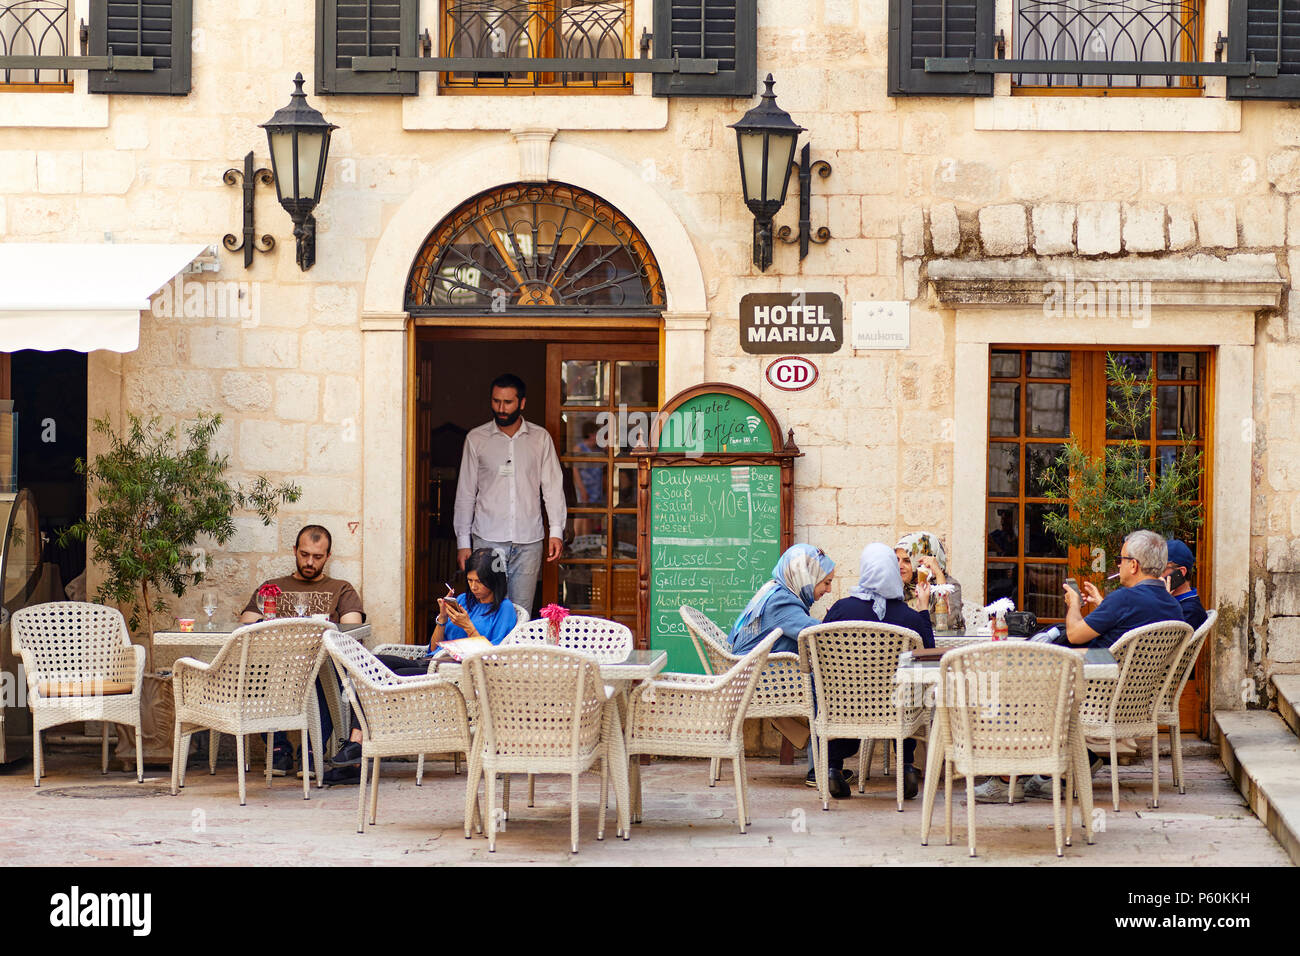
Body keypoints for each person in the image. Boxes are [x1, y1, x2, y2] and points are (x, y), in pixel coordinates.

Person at [975, 529, 1184, 803]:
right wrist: (1103, 606)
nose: (1118, 565)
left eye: (1121, 559)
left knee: (1020, 682)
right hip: (1133, 700)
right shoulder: (1173, 607)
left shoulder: (1125, 598)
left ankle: (1006, 780)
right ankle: (1065, 768)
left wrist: (1074, 605)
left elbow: (1074, 634)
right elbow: (1122, 634)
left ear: (1134, 565)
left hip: (1092, 695)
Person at [326, 548, 516, 784]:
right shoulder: (465, 601)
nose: (474, 587)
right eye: (470, 580)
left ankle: (356, 752)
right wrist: (443, 618)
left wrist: (468, 627)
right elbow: (432, 648)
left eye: (480, 582)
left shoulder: (504, 609)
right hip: (432, 663)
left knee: (382, 677)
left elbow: (492, 659)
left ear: (494, 581)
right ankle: (357, 748)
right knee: (371, 665)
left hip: (454, 676)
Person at [239, 524, 364, 777]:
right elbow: (246, 623)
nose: (309, 562)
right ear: (294, 551)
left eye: (317, 557)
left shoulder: (341, 588)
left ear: (328, 556)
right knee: (252, 671)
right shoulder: (272, 587)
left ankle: (311, 748)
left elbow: (351, 629)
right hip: (275, 664)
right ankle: (278, 750)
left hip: (320, 663)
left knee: (323, 672)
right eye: (304, 554)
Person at [822, 543, 935, 802]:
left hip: (846, 705)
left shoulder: (840, 610)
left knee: (846, 695)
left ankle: (833, 767)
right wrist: (923, 610)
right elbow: (929, 658)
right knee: (907, 692)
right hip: (896, 707)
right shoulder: (910, 619)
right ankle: (906, 767)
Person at [728, 545, 841, 793]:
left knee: (817, 681)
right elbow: (818, 638)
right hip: (755, 680)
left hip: (750, 673)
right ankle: (820, 769)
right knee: (825, 691)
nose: (828, 590)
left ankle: (823, 759)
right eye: (825, 583)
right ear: (806, 577)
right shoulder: (783, 603)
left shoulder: (777, 590)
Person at [453, 373, 566, 618]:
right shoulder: (476, 439)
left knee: (521, 612)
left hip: (529, 541)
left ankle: (515, 657)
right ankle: (487, 657)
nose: (501, 409)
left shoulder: (540, 439)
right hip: (487, 540)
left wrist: (556, 530)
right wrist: (463, 542)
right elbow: (465, 492)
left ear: (522, 403)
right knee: (486, 610)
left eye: (508, 402)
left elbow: (552, 487)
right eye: (496, 402)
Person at [895, 531, 964, 631]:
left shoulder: (951, 585)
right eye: (897, 560)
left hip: (943, 644)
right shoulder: (898, 587)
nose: (899, 566)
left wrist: (939, 575)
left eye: (907, 561)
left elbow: (948, 622)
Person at [1164, 539, 1208, 630]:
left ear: (1181, 572)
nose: (1155, 574)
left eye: (1161, 568)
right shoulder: (1174, 601)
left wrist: (1164, 602)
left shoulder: (1190, 610)